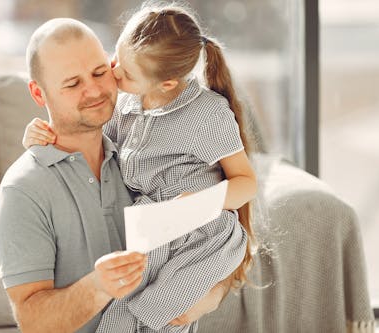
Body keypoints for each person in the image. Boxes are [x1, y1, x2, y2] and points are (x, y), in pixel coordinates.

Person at [22, 3, 257, 333]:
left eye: (127, 73)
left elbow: (247, 182)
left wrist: (199, 203)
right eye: (115, 58)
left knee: (158, 314)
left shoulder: (207, 115)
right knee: (125, 305)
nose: (114, 73)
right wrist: (43, 135)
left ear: (168, 84)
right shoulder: (128, 104)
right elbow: (94, 142)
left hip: (198, 225)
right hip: (151, 224)